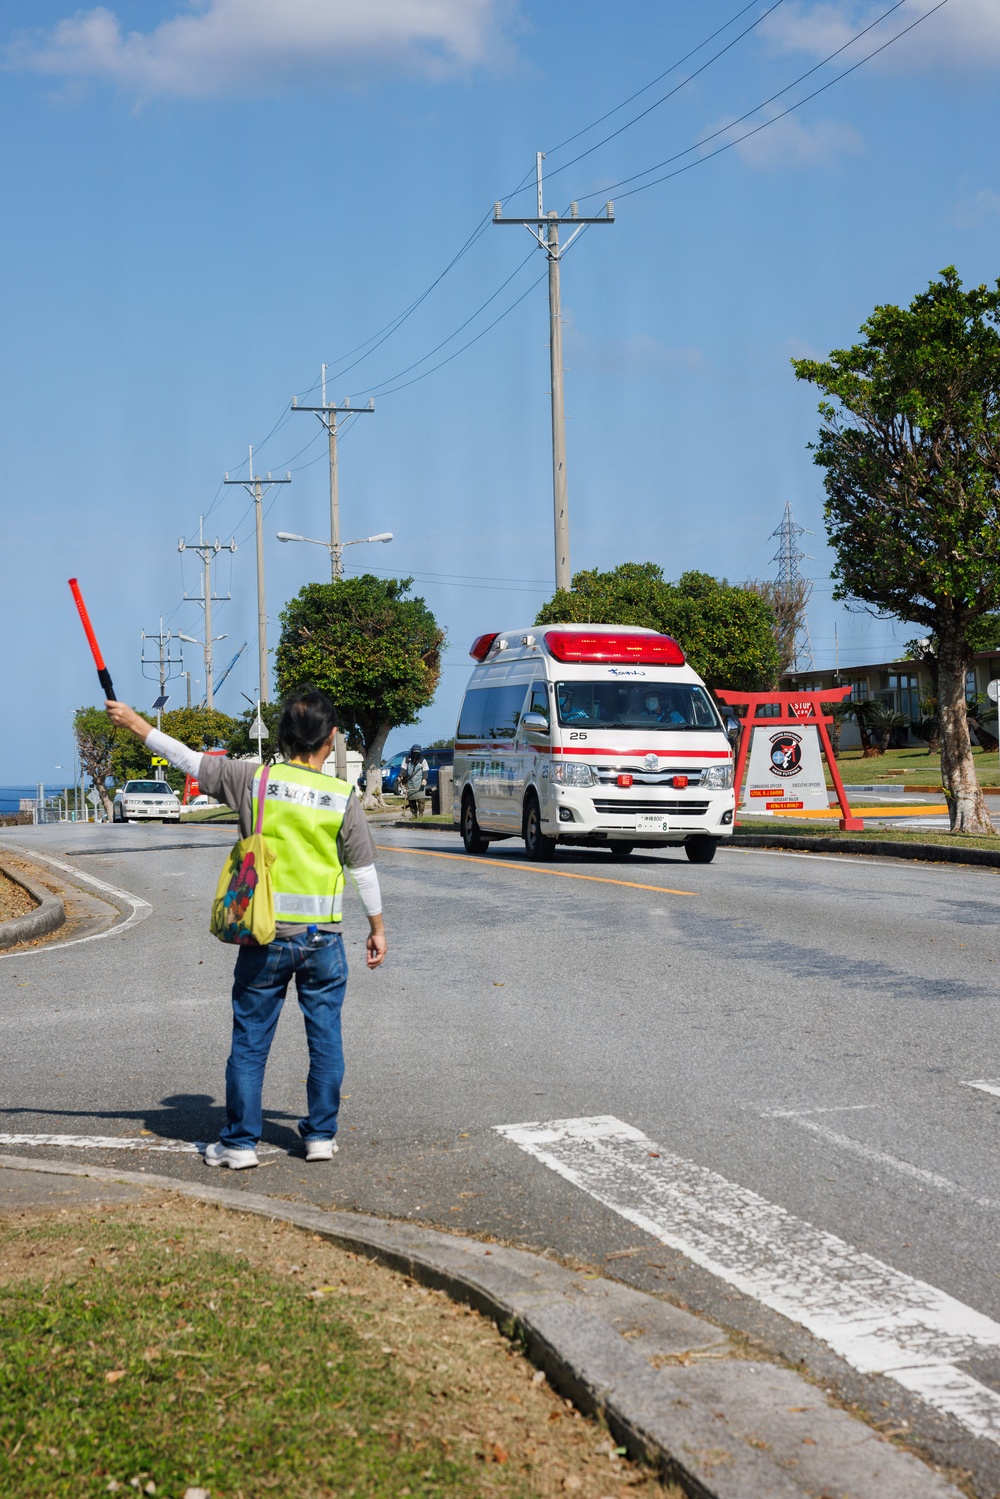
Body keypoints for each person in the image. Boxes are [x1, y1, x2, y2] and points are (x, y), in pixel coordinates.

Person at [105, 688, 386, 1171]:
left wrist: (135, 723)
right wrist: (377, 928)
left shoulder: (252, 779)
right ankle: (320, 1136)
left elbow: (189, 761)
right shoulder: (342, 796)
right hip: (324, 939)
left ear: (281, 737)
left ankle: (239, 1145)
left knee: (251, 1038)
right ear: (332, 738)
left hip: (265, 936)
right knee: (326, 1039)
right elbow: (363, 870)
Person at [400, 744, 429, 818]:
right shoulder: (406, 759)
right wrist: (401, 777)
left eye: (417, 753)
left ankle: (421, 814)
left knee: (421, 800)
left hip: (420, 783)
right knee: (411, 800)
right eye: (414, 753)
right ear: (411, 752)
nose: (416, 754)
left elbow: (425, 771)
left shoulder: (423, 760)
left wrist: (424, 779)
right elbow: (403, 769)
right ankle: (414, 814)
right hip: (410, 782)